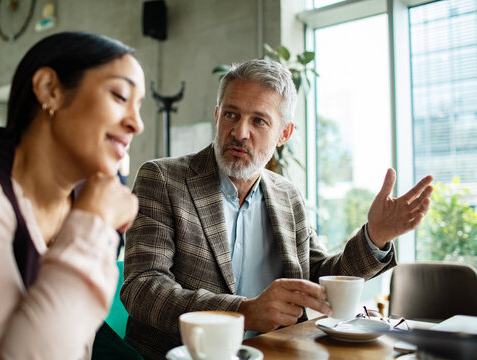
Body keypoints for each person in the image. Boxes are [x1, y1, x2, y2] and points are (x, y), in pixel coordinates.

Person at [121, 59, 434, 360]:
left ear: (284, 134)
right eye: (231, 115)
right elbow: (143, 288)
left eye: (259, 120)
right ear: (217, 116)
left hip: (279, 352)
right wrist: (244, 311)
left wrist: (374, 237)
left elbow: (319, 279)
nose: (240, 132)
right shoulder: (162, 179)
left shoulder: (287, 195)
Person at [0, 32, 145, 359]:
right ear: (50, 89)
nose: (137, 123)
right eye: (120, 96)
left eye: (139, 105)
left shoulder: (85, 196)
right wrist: (94, 223)